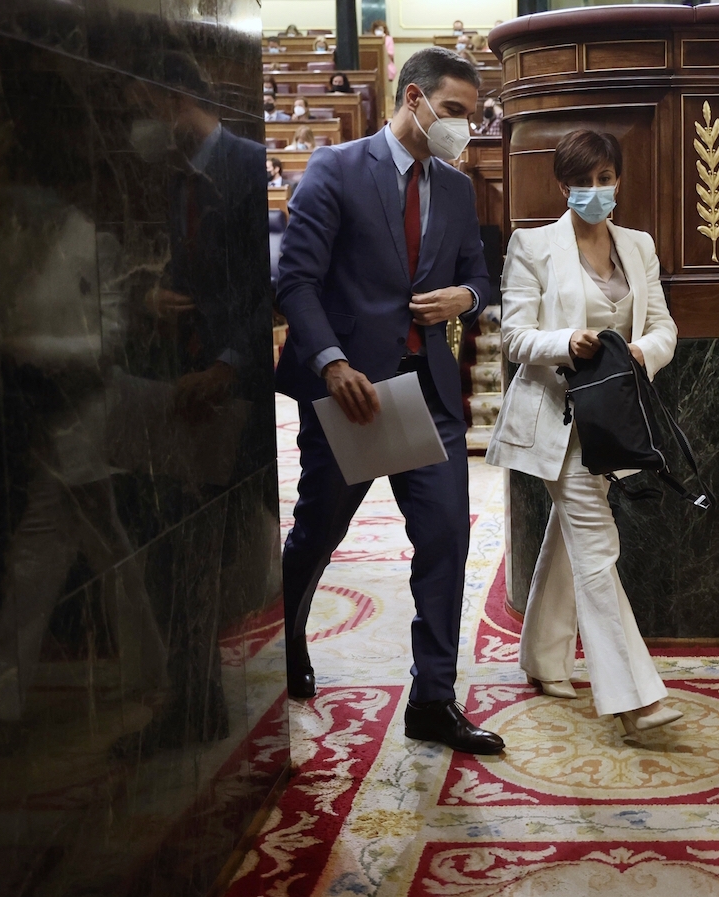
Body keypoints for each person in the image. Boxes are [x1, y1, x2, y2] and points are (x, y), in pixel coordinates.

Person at [275, 47, 501, 754]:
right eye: (456, 112)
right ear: (414, 98)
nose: (465, 127)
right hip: (354, 393)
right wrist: (331, 361)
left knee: (445, 540)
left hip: (427, 391)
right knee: (318, 533)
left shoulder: (460, 191)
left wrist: (465, 297)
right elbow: (296, 282)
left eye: (471, 114)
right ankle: (280, 647)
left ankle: (432, 699)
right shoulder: (335, 170)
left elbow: (480, 277)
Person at [486, 129, 683, 739]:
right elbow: (515, 336)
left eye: (604, 180)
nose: (594, 192)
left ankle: (543, 656)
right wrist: (563, 343)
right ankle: (634, 697)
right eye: (581, 182)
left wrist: (634, 357)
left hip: (614, 419)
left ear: (618, 180)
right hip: (557, 420)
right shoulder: (533, 245)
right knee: (598, 547)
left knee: (570, 539)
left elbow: (663, 326)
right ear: (562, 184)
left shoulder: (638, 245)